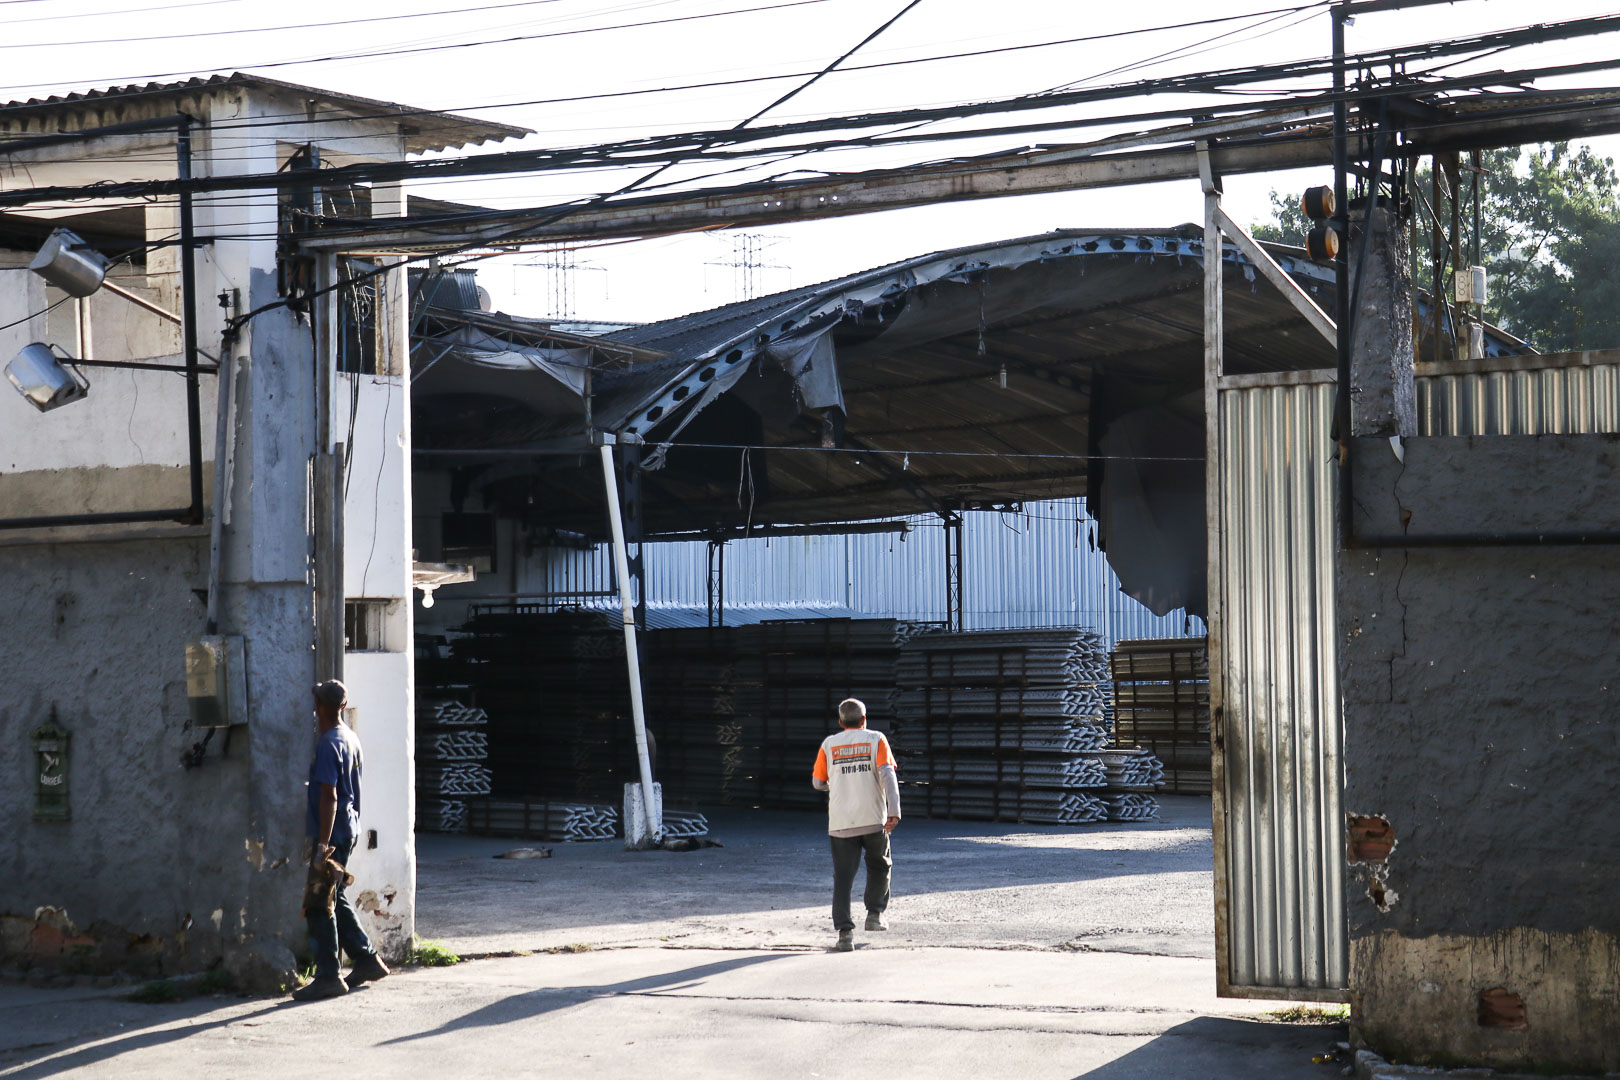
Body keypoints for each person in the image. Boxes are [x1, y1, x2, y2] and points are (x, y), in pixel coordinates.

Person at [293, 679, 390, 1001]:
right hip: (349, 829)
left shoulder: (327, 743)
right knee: (339, 896)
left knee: (320, 903)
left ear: (318, 707)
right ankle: (366, 959)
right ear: (343, 707)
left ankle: (328, 976)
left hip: (332, 833)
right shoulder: (349, 737)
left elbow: (329, 796)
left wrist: (322, 846)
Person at [811, 697, 901, 952]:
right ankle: (874, 915)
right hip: (874, 820)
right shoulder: (876, 739)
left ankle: (844, 934)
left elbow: (818, 782)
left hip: (841, 823)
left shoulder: (829, 744)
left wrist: (837, 783)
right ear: (864, 720)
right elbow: (887, 775)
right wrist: (894, 811)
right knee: (880, 866)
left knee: (843, 877)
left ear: (840, 722)